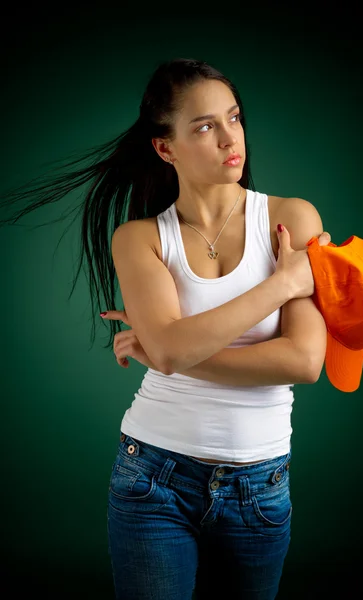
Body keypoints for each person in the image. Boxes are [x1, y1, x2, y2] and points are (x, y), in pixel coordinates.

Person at [0, 57, 330, 599]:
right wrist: (279, 285)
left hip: (261, 484)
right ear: (165, 147)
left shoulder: (291, 219)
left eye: (234, 117)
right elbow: (173, 352)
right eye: (204, 126)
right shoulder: (140, 239)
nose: (230, 137)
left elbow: (303, 362)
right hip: (153, 477)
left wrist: (169, 348)